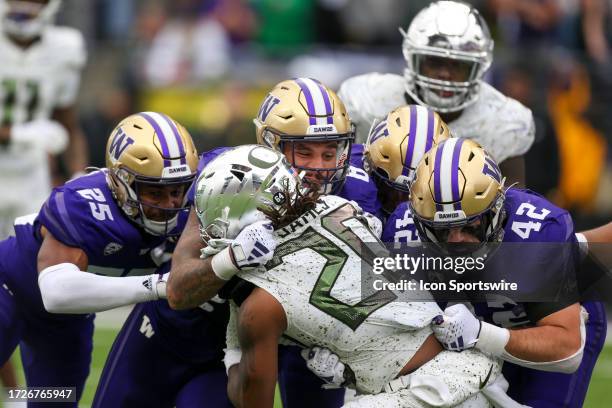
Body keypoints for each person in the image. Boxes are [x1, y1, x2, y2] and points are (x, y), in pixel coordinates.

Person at [195, 145, 505, 408]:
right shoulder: (340, 206)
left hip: (423, 393)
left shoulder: (261, 306)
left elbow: (253, 400)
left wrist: (232, 353)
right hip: (472, 368)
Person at [168, 78, 382, 408]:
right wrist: (231, 259)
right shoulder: (233, 179)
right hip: (217, 326)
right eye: (305, 152)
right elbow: (179, 291)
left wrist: (349, 341)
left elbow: (372, 289)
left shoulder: (357, 190)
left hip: (308, 338)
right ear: (271, 146)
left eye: (330, 152)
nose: (319, 168)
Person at [0, 111, 198, 406]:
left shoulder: (195, 204)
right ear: (121, 180)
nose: (169, 204)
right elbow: (56, 293)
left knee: (55, 400)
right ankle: (12, 398)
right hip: (10, 289)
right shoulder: (85, 203)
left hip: (67, 321)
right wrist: (158, 285)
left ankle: (14, 400)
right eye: (154, 192)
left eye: (177, 190)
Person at [408, 138, 601, 407]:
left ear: (497, 208)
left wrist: (481, 334)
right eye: (441, 231)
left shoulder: (535, 233)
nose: (456, 239)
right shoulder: (404, 234)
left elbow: (567, 348)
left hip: (545, 323)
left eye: (471, 224)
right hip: (479, 321)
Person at [338, 0, 534, 187]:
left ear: (478, 68)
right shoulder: (368, 99)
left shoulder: (503, 122)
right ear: (413, 58)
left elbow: (510, 206)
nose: (445, 74)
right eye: (434, 62)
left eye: (458, 65)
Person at [0, 0, 89, 238]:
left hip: (31, 175)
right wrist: (16, 134)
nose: (24, 5)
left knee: (28, 259)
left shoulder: (63, 49)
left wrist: (79, 176)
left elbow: (68, 124)